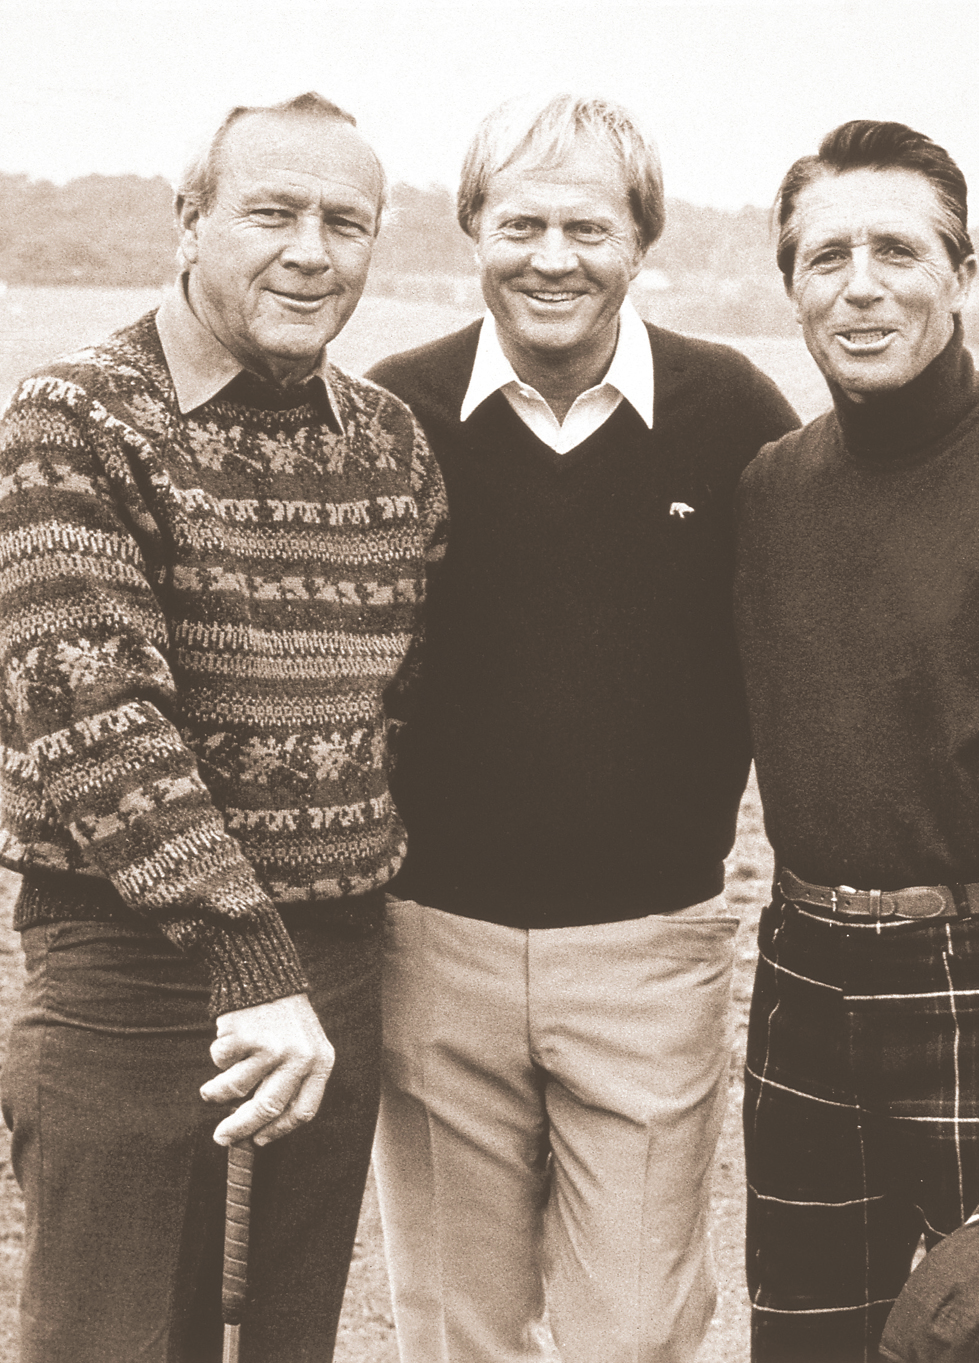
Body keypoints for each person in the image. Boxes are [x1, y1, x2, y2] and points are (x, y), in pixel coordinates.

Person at [0, 92, 445, 1363]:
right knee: (110, 1340)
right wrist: (248, 957)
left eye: (345, 223)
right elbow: (95, 719)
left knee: (282, 1342)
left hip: (330, 972)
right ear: (189, 222)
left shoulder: (390, 445)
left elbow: (400, 708)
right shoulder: (73, 423)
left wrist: (308, 969)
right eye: (272, 213)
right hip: (128, 974)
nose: (311, 252)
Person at [365, 93, 799, 1363]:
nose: (551, 258)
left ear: (640, 241)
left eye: (588, 228)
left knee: (637, 1327)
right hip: (431, 946)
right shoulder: (391, 414)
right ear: (472, 229)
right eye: (521, 225)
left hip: (649, 953)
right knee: (456, 1325)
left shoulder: (734, 416)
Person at [733, 119, 979, 1363]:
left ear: (959, 276)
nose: (859, 286)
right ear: (792, 286)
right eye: (825, 257)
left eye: (896, 251)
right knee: (803, 1341)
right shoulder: (771, 488)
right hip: (802, 981)